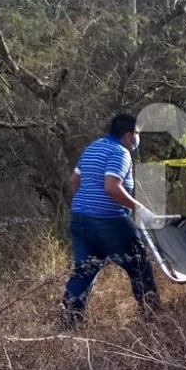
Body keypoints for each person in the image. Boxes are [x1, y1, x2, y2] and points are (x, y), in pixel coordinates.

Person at [60, 113, 161, 330]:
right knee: (139, 264)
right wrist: (139, 208)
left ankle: (68, 323)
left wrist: (86, 206)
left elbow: (74, 180)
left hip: (80, 219)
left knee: (84, 270)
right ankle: (153, 318)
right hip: (109, 220)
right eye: (137, 134)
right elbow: (111, 187)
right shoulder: (120, 152)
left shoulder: (92, 148)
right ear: (128, 135)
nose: (138, 139)